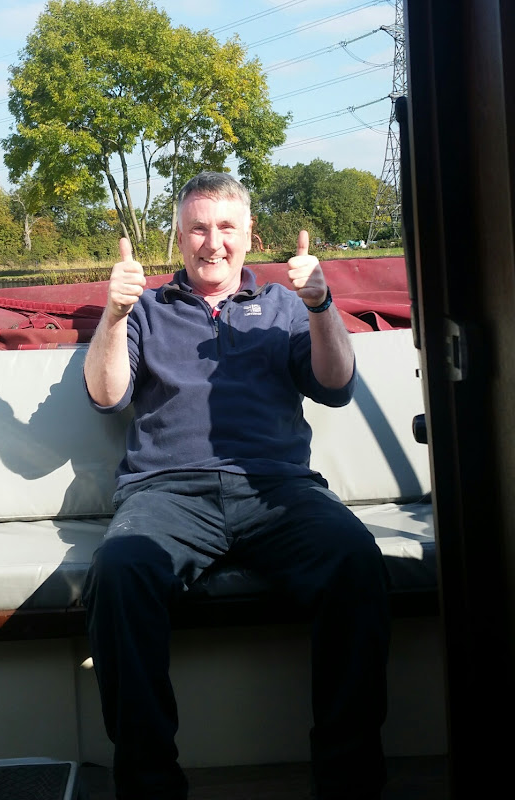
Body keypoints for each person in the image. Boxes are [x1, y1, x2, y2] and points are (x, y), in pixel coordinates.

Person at [81, 171, 390, 800]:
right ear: (178, 238)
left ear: (250, 235)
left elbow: (336, 387)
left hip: (278, 491)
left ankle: (348, 781)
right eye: (197, 228)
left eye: (226, 227)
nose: (212, 242)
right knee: (118, 572)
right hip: (167, 494)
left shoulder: (283, 306)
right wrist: (114, 313)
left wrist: (321, 305)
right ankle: (150, 787)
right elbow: (107, 396)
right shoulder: (146, 309)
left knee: (357, 561)